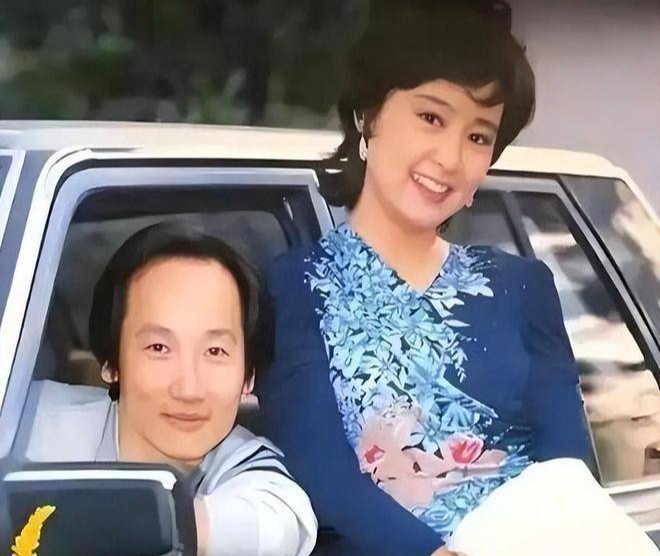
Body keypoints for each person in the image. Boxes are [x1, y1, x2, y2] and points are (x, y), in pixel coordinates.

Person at [255, 2, 591, 555]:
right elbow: (322, 473)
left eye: (478, 137)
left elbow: (569, 473)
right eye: (432, 118)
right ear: (368, 116)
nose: (450, 158)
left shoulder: (522, 287)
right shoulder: (293, 287)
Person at [25, 222, 317, 556]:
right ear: (111, 363)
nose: (189, 389)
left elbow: (277, 525)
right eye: (159, 348)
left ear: (248, 377)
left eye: (215, 351)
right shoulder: (28, 424)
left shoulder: (245, 466)